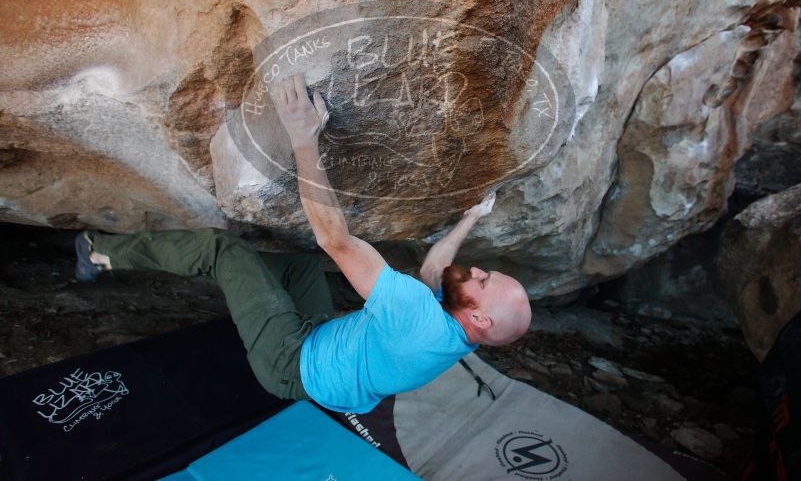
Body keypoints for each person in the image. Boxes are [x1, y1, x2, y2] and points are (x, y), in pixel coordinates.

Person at [74, 72, 532, 414]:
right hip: (323, 344)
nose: (476, 270)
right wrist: (469, 218)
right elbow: (435, 273)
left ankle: (99, 251)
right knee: (300, 266)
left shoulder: (416, 317)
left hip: (289, 363)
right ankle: (244, 283)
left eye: (484, 279)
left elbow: (336, 240)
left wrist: (302, 137)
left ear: (480, 315)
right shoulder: (466, 334)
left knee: (223, 250)